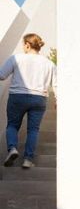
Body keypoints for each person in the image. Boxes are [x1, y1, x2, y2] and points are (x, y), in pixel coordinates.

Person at [1, 33, 56, 169]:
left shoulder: (16, 58)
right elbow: (56, 84)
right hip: (39, 98)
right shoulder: (49, 63)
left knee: (13, 125)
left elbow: (1, 75)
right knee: (33, 130)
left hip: (17, 97)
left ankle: (12, 148)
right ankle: (28, 159)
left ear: (27, 44)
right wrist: (57, 99)